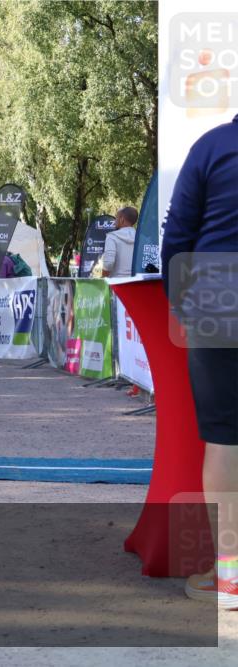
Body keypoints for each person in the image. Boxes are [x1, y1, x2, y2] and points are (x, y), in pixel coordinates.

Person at [162, 114, 238, 610]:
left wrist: (179, 301)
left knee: (226, 437)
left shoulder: (212, 147)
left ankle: (231, 577)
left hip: (217, 299)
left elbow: (178, 235)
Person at [101, 206, 138, 278]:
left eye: (116, 218)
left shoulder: (112, 237)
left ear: (122, 220)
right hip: (135, 283)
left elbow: (108, 263)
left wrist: (103, 278)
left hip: (117, 285)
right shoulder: (141, 238)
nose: (114, 222)